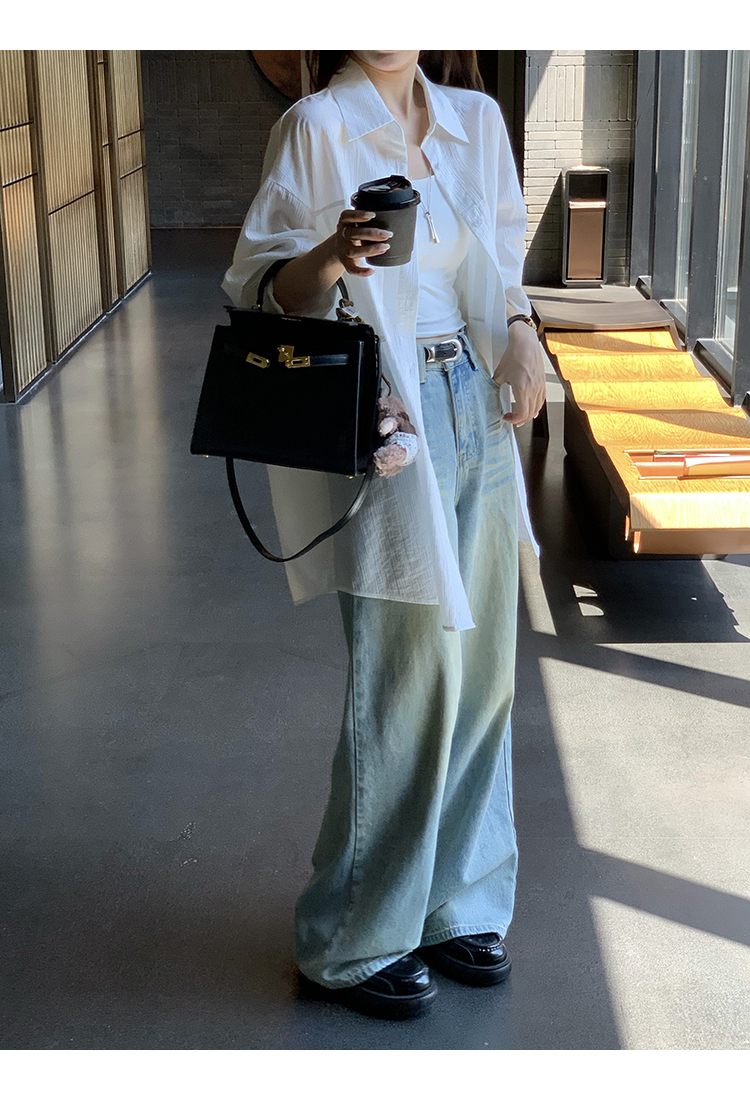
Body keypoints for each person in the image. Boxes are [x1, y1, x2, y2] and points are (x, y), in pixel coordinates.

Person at [222, 50, 545, 1019]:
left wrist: (523, 332)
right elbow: (260, 290)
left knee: (483, 671)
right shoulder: (316, 127)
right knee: (404, 676)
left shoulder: (474, 121)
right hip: (388, 409)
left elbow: (502, 256)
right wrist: (333, 251)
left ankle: (458, 902)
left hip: (477, 400)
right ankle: (354, 934)